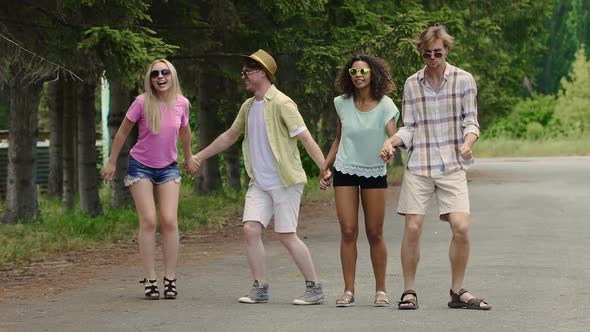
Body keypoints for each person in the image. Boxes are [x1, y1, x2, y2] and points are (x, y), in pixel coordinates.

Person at [191, 49, 329, 305]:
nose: (243, 77)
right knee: (250, 229)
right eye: (242, 72)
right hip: (260, 183)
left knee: (286, 235)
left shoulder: (283, 104)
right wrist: (199, 156)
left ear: (263, 73)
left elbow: (306, 138)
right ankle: (260, 287)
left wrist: (324, 167)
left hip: (285, 181)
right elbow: (230, 136)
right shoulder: (248, 106)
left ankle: (314, 287)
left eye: (247, 72)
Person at [381, 25, 491, 310]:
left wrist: (469, 142)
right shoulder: (411, 84)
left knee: (461, 227)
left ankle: (457, 291)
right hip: (420, 164)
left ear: (447, 50)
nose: (432, 58)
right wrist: (392, 141)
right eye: (427, 53)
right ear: (422, 52)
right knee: (414, 227)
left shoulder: (464, 80)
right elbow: (410, 127)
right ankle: (409, 291)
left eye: (437, 53)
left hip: (453, 164)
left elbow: (472, 121)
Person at [100, 59, 197, 300]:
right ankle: (151, 278)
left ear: (172, 75)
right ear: (150, 80)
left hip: (169, 168)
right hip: (140, 166)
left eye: (165, 72)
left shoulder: (182, 103)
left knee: (170, 220)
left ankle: (170, 278)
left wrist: (189, 156)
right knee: (149, 221)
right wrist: (112, 162)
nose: (160, 77)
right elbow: (123, 131)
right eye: (155, 74)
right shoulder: (142, 102)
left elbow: (185, 131)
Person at [320, 55, 399, 307]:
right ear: (349, 76)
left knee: (375, 232)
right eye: (353, 72)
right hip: (345, 168)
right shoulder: (342, 103)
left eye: (363, 71)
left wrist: (389, 148)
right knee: (348, 230)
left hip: (375, 170)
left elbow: (393, 135)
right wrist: (325, 166)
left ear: (372, 73)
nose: (359, 75)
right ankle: (348, 290)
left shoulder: (386, 105)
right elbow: (339, 138)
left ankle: (381, 290)